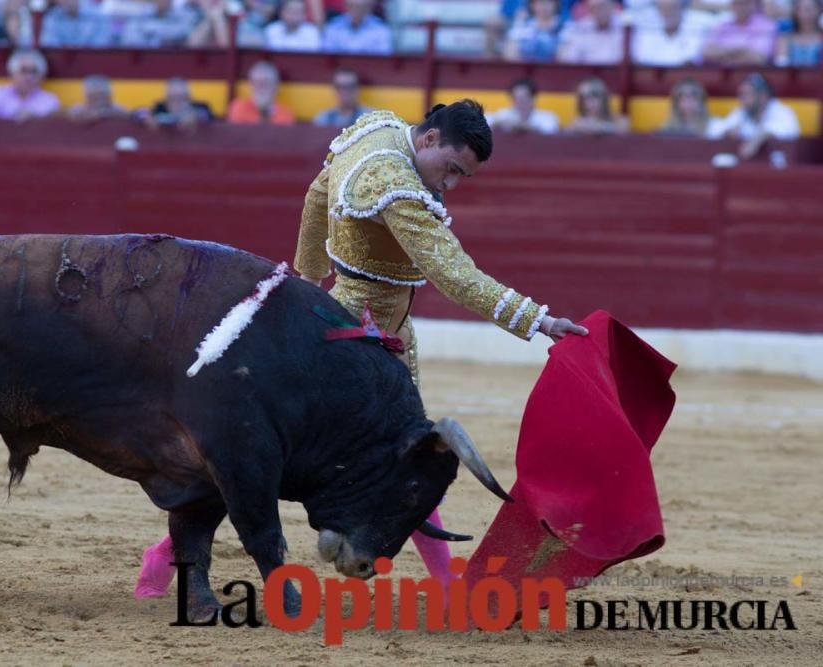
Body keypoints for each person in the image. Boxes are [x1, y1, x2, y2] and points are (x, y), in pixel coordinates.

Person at [135, 101, 589, 601]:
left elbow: (316, 194)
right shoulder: (394, 184)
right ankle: (161, 558)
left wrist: (306, 282)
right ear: (431, 139)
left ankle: (446, 579)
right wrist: (537, 320)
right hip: (358, 343)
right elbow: (454, 275)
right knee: (272, 457)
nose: (450, 185)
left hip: (362, 326)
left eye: (462, 177)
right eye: (452, 170)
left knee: (403, 454)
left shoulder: (379, 130)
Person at [707, 73, 800, 158]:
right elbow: (720, 131)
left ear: (763, 96)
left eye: (747, 94)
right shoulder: (741, 112)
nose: (742, 99)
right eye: (741, 95)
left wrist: (759, 138)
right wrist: (727, 133)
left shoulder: (782, 111)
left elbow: (786, 130)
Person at [0, 48, 61, 122]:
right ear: (12, 73)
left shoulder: (49, 100)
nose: (29, 77)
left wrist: (35, 119)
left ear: (41, 76)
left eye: (34, 72)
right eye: (23, 71)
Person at [631, 0, 712, 67]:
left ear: (680, 7)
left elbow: (695, 57)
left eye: (672, 8)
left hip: (687, 75)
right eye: (664, 9)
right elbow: (643, 57)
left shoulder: (700, 23)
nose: (668, 13)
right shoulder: (645, 23)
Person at [701, 0, 778, 65]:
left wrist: (723, 54)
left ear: (754, 5)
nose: (741, 7)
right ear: (732, 5)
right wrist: (740, 51)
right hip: (721, 75)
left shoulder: (766, 26)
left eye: (745, 3)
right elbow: (706, 53)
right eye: (738, 3)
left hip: (754, 75)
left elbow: (759, 58)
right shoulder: (721, 26)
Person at [226, 60, 295, 125]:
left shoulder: (285, 114)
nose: (261, 87)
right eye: (257, 83)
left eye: (266, 82)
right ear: (251, 85)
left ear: (276, 86)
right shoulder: (239, 108)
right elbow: (235, 135)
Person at [557, 0, 624, 64]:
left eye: (604, 7)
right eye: (597, 8)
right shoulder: (578, 29)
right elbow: (569, 60)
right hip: (585, 74)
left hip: (618, 74)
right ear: (590, 10)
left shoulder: (624, 28)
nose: (602, 11)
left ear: (612, 7)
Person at [486, 78, 559, 134]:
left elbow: (550, 131)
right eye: (516, 98)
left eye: (524, 98)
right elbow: (486, 127)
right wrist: (496, 124)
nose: (519, 101)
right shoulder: (503, 114)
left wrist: (520, 126)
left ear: (533, 98)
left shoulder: (547, 116)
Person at [321, 0, 392, 54]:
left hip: (370, 71)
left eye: (361, 7)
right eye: (352, 6)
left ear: (368, 9)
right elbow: (327, 57)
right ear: (346, 7)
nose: (356, 11)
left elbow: (383, 58)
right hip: (338, 71)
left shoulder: (381, 30)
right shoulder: (333, 27)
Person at [143, 76, 213, 128]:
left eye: (181, 97)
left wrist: (195, 116)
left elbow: (208, 117)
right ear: (167, 98)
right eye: (173, 98)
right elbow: (139, 114)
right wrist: (148, 118)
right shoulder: (158, 109)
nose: (177, 101)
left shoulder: (200, 107)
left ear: (188, 97)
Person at [40, 0, 115, 47]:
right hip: (63, 65)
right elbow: (50, 44)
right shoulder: (52, 17)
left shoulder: (99, 16)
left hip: (94, 62)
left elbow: (102, 45)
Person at [774, 0, 822, 66]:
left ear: (819, 10)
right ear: (795, 11)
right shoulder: (785, 38)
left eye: (811, 9)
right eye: (803, 9)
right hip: (791, 76)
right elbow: (781, 65)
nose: (808, 13)